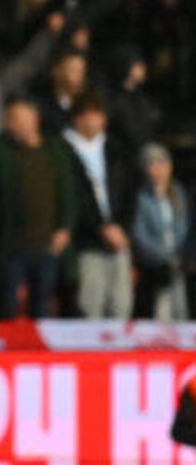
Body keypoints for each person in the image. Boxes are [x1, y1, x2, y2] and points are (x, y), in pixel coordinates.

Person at [0, 98, 78, 320]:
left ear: (34, 120)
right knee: (6, 305)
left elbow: (68, 193)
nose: (10, 124)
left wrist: (65, 227)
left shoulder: (56, 149)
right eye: (9, 119)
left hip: (46, 245)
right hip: (9, 247)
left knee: (43, 306)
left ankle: (38, 354)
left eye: (16, 119)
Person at [62, 94, 134, 319]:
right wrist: (100, 228)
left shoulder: (115, 150)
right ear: (77, 119)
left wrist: (121, 227)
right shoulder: (64, 150)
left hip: (119, 240)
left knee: (121, 305)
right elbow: (75, 198)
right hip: (87, 242)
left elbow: (128, 194)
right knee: (91, 305)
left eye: (99, 115)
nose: (95, 121)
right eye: (89, 115)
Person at [130, 143, 189, 321]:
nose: (158, 169)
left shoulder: (177, 192)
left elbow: (182, 226)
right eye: (152, 164)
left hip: (177, 262)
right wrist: (162, 256)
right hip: (153, 264)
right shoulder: (140, 197)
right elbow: (139, 233)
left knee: (180, 308)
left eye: (162, 163)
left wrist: (178, 255)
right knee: (159, 311)